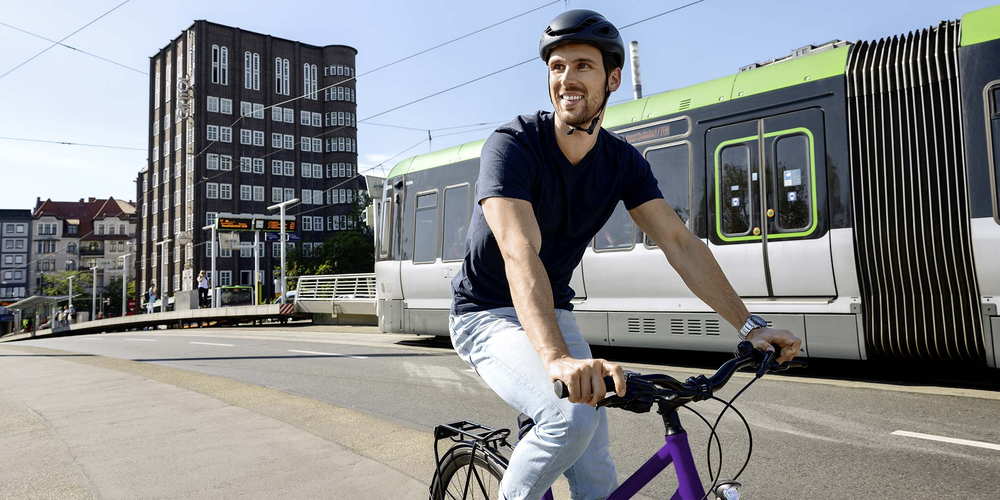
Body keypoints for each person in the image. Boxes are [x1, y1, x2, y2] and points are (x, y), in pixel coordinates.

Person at [448, 10, 803, 500]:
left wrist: (750, 326)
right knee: (569, 419)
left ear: (612, 78)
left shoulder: (622, 162)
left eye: (582, 66)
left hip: (552, 308)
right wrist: (555, 360)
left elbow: (680, 244)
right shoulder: (513, 146)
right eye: (556, 67)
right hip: (486, 314)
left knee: (596, 473)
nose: (566, 79)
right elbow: (518, 250)